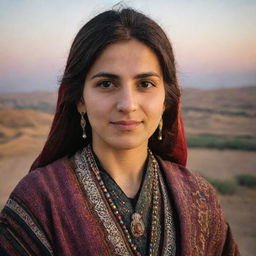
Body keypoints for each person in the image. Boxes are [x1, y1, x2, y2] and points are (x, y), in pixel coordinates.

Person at [0, 7, 239, 256]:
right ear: (80, 98)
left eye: (145, 84)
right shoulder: (39, 200)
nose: (127, 104)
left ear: (167, 99)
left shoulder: (200, 198)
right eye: (106, 84)